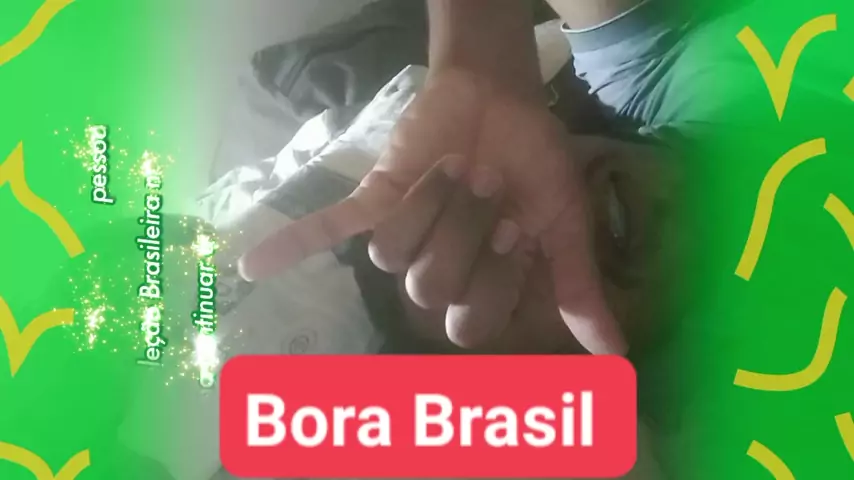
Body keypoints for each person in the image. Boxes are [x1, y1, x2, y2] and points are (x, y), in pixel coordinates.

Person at [237, 0, 746, 355]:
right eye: (498, 284)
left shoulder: (648, 60)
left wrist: (479, 55)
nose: (526, 231)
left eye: (480, 204)